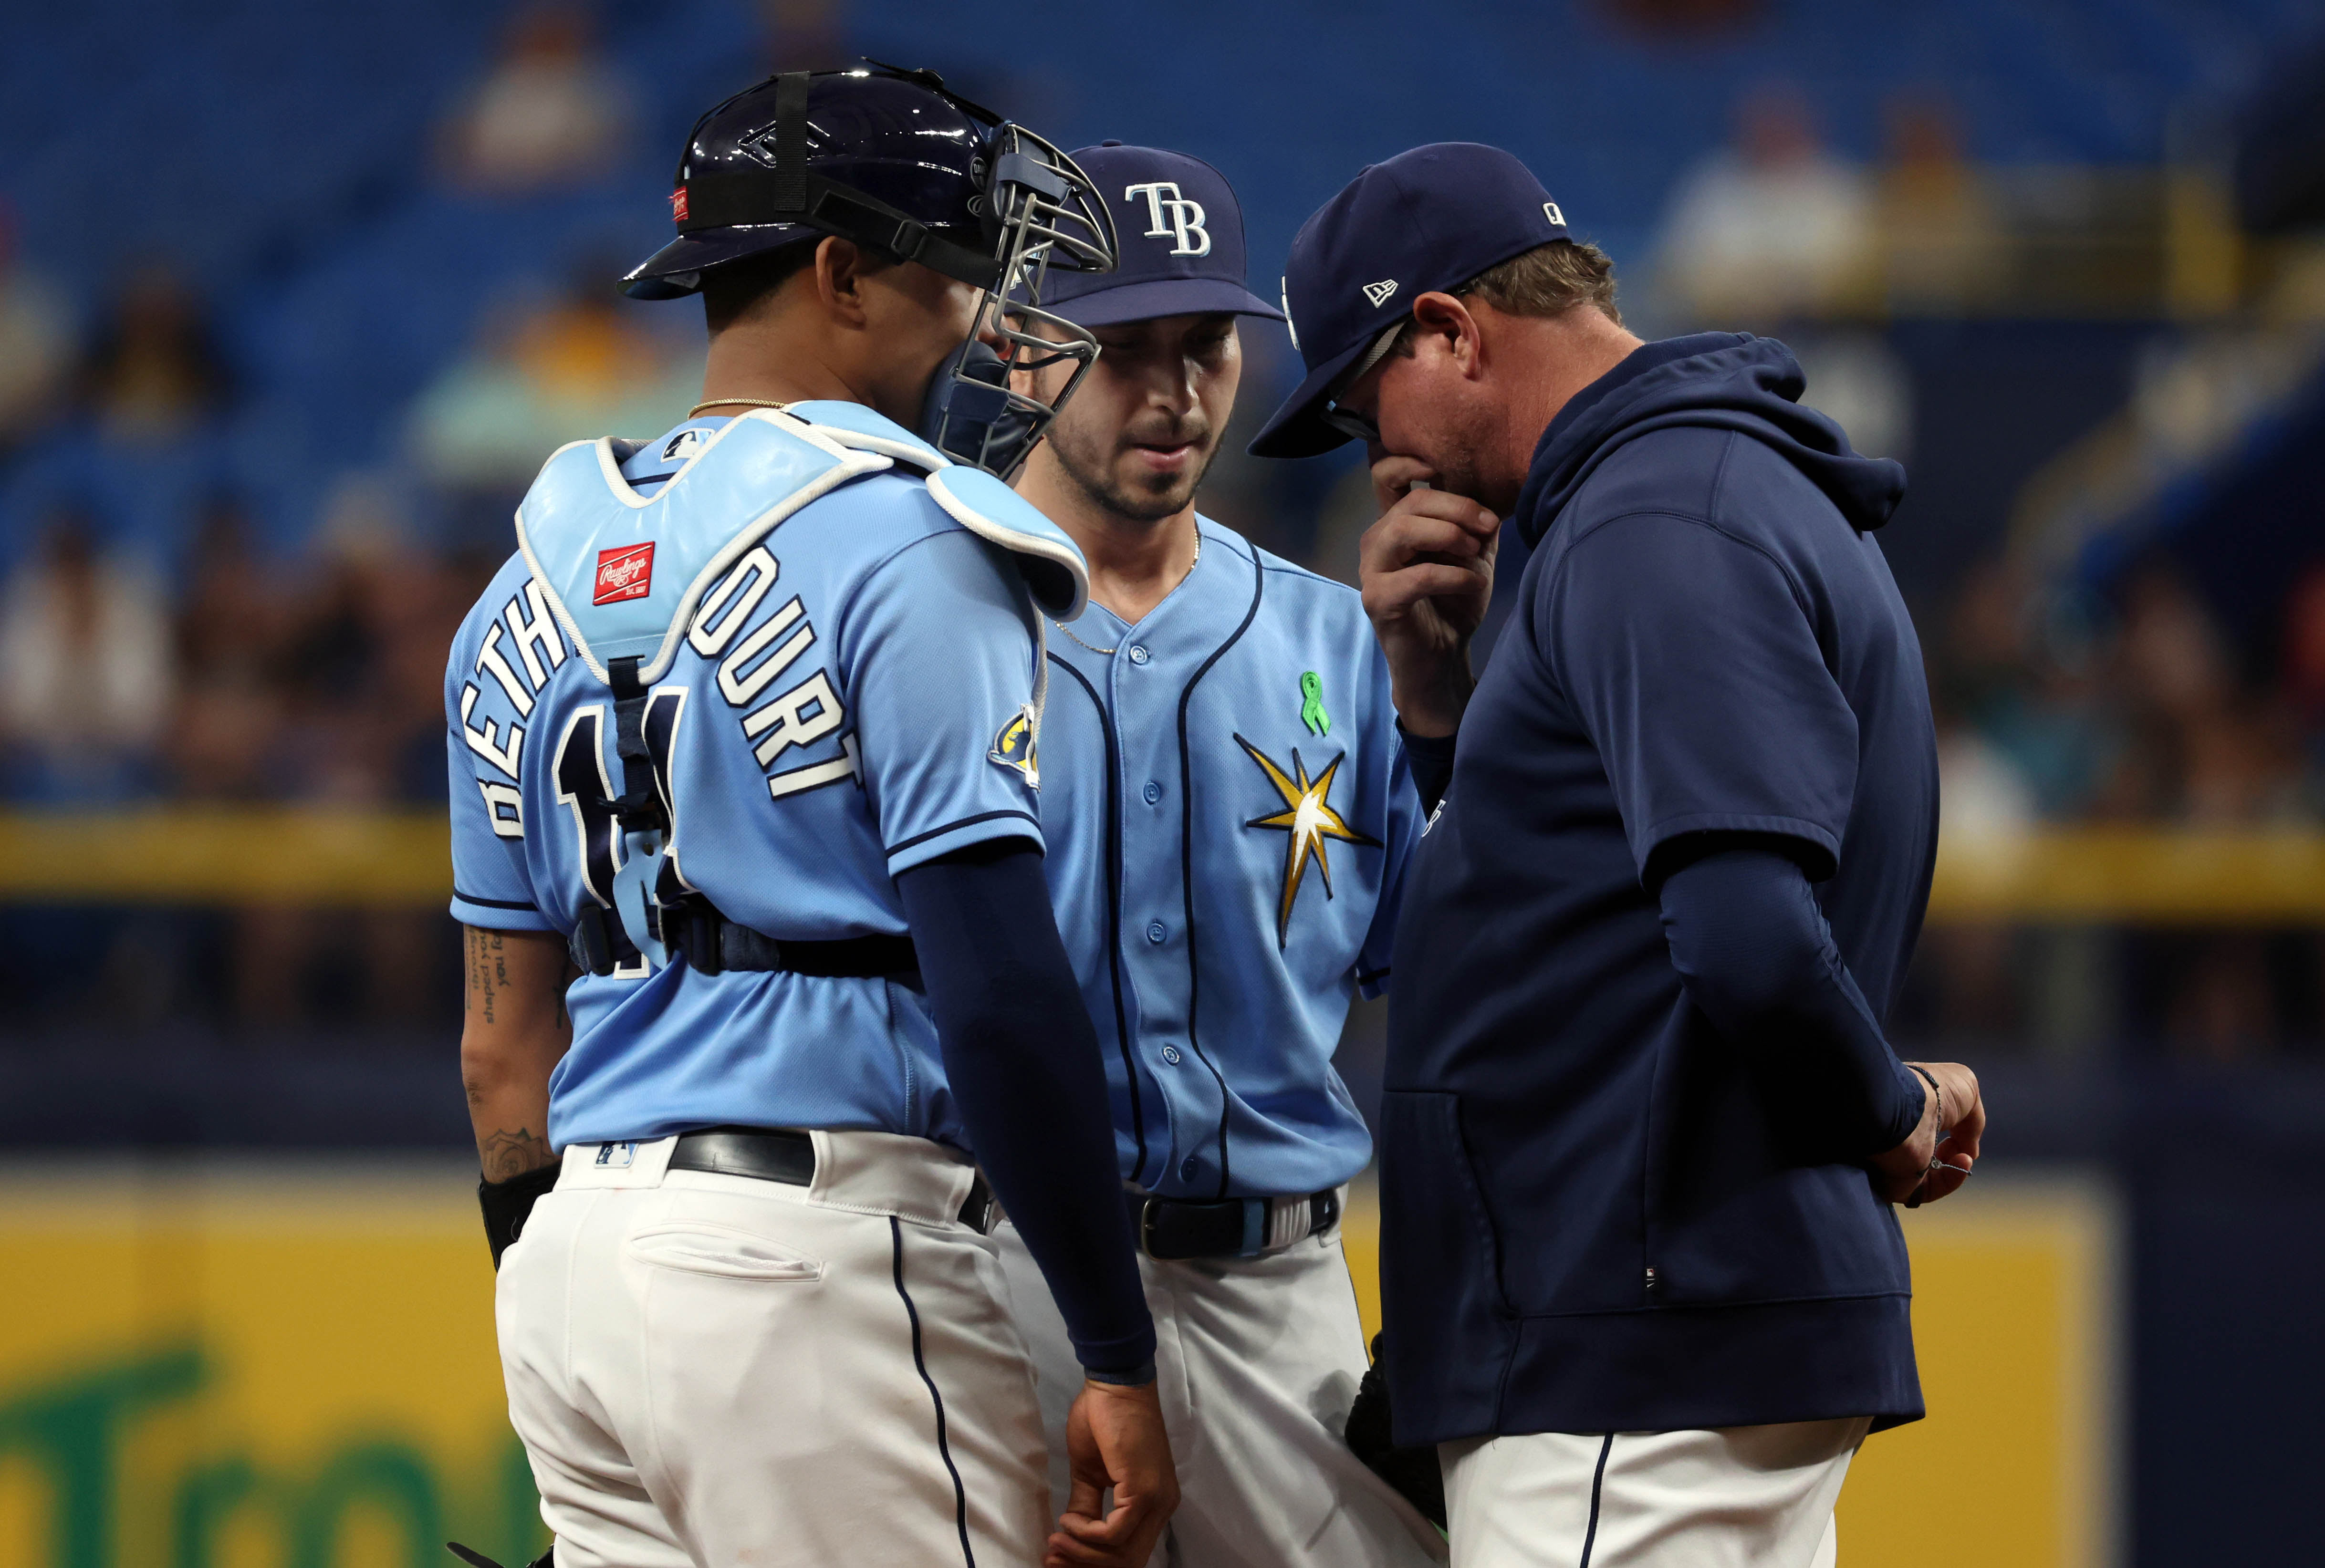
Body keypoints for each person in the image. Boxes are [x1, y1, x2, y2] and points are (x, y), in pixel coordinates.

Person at [446, 68, 1176, 1568]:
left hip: (572, 1259)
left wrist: (569, 1304)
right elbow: (998, 990)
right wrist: (1115, 1346)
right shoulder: (910, 543)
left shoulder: (515, 588)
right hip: (811, 1258)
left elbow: (496, 1046)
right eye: (962, 264)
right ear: (840, 273)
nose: (993, 315)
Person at [1249, 142, 1987, 1568]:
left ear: (1451, 332)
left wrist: (1880, 1105)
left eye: (1363, 403)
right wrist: (1438, 708)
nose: (1379, 457)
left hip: (1635, 1334)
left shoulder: (1657, 519)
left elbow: (1746, 934)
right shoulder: (1663, 501)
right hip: (1660, 1326)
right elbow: (1574, 903)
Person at [1000, 143, 1444, 1567]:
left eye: (1203, 346)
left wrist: (1441, 716)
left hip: (1278, 1281)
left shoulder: (1333, 637)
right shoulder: (920, 626)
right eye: (1122, 349)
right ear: (1019, 354)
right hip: (1001, 1277)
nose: (1174, 393)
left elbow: (1438, 968)